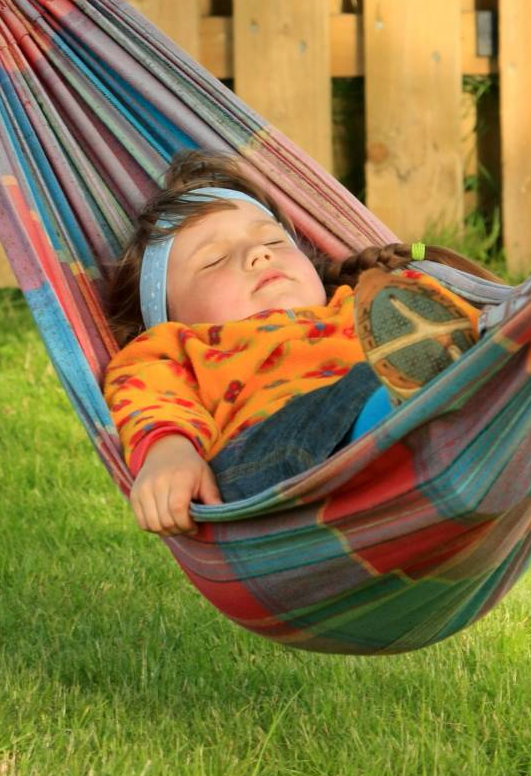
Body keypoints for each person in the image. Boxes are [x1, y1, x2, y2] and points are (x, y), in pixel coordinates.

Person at [103, 150, 498, 537]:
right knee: (375, 377)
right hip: (266, 472)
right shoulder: (176, 343)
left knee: (425, 330)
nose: (258, 254)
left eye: (274, 242)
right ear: (167, 315)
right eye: (214, 260)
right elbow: (150, 393)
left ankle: (431, 398)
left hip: (410, 448)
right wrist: (169, 454)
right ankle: (409, 403)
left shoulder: (361, 302)